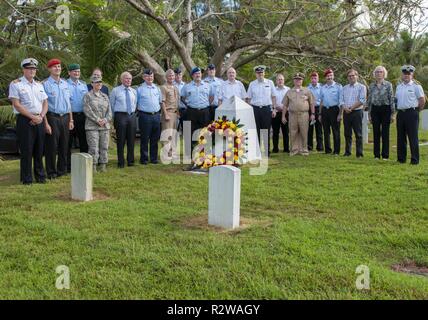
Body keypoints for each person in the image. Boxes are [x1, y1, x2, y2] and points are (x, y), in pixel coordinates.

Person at [8, 58, 48, 185]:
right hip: (25, 120)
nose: (32, 71)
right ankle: (27, 179)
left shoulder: (39, 85)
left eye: (34, 69)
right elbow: (17, 104)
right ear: (24, 69)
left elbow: (45, 102)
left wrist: (41, 116)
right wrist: (32, 117)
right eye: (29, 68)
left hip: (39, 119)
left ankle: (40, 177)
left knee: (39, 149)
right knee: (27, 150)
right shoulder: (16, 84)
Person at [43, 58, 73, 179]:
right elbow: (43, 105)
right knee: (52, 146)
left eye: (59, 66)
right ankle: (51, 172)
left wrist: (71, 120)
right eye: (55, 67)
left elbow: (69, 103)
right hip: (52, 117)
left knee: (64, 145)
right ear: (50, 69)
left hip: (65, 117)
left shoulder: (66, 84)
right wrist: (46, 123)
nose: (57, 68)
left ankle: (62, 170)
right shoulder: (45, 84)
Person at [395, 65, 426, 165]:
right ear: (402, 75)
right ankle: (401, 159)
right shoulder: (399, 87)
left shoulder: (416, 86)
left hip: (412, 113)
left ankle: (414, 160)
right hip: (400, 113)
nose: (406, 75)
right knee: (400, 137)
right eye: (405, 74)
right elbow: (396, 100)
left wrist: (416, 111)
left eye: (409, 74)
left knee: (413, 137)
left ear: (412, 74)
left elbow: (422, 100)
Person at [181, 67, 213, 155]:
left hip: (205, 111)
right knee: (189, 133)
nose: (198, 75)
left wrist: (205, 104)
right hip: (191, 112)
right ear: (192, 76)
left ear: (201, 75)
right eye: (196, 74)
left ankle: (205, 153)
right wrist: (189, 104)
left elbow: (211, 97)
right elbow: (182, 97)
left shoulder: (207, 85)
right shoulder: (187, 86)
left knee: (205, 132)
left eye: (199, 73)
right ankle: (189, 154)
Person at [83, 74, 112, 172]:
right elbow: (87, 110)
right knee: (93, 147)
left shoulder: (105, 96)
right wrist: (97, 120)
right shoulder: (88, 95)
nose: (99, 84)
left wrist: (105, 120)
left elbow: (110, 111)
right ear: (92, 84)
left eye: (100, 82)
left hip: (104, 126)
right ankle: (93, 166)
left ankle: (103, 165)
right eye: (96, 82)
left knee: (104, 146)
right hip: (92, 126)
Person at [282, 73, 315, 156]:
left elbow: (312, 103)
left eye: (299, 79)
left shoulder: (307, 91)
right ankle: (294, 150)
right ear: (294, 80)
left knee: (304, 132)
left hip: (304, 114)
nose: (298, 81)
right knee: (293, 132)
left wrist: (313, 114)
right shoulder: (289, 92)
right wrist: (283, 116)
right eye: (296, 79)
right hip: (292, 115)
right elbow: (285, 105)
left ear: (302, 80)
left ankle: (304, 150)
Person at [246, 65, 276, 156]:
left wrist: (274, 109)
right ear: (256, 74)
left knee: (266, 130)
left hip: (266, 109)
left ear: (264, 73)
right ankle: (257, 152)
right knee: (256, 130)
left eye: (261, 72)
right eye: (258, 73)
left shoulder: (270, 83)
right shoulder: (252, 84)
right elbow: (248, 98)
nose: (260, 74)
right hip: (255, 109)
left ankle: (267, 151)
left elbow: (274, 97)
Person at [110, 71, 137, 168]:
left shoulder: (134, 91)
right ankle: (121, 162)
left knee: (131, 139)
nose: (128, 80)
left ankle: (131, 161)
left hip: (131, 116)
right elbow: (111, 105)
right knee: (121, 140)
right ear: (121, 80)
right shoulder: (115, 91)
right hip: (120, 116)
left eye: (130, 78)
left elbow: (135, 104)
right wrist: (114, 118)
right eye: (126, 78)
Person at [367, 66, 394, 160]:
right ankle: (376, 155)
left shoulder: (388, 85)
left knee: (385, 133)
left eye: (381, 72)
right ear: (375, 74)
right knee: (376, 132)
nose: (379, 73)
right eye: (377, 72)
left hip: (386, 109)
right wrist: (369, 114)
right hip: (375, 110)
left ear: (384, 73)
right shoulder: (371, 85)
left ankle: (385, 155)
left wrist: (392, 113)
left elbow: (391, 99)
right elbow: (369, 100)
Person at [137, 69, 163, 165]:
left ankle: (153, 158)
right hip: (144, 116)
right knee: (144, 138)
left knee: (155, 138)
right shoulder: (139, 89)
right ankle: (144, 159)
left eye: (151, 76)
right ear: (144, 77)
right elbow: (136, 102)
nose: (150, 78)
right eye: (147, 76)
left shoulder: (157, 88)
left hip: (156, 115)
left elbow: (160, 101)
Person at [67, 63, 88, 173]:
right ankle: (68, 166)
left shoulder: (83, 85)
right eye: (74, 71)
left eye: (78, 71)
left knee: (83, 141)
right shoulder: (64, 84)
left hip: (82, 116)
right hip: (69, 116)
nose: (77, 73)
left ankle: (84, 164)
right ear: (69, 73)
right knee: (68, 142)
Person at [341, 69, 367, 158]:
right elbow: (341, 100)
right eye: (349, 76)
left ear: (357, 76)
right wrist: (345, 108)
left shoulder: (361, 87)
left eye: (353, 75)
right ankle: (347, 152)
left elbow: (362, 100)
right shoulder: (344, 88)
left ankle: (359, 153)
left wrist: (351, 108)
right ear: (347, 77)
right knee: (347, 133)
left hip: (357, 112)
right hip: (346, 112)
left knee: (358, 133)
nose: (351, 77)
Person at [320, 68, 343, 155]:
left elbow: (341, 101)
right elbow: (321, 101)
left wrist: (340, 114)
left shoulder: (338, 86)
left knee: (335, 131)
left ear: (333, 76)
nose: (329, 77)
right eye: (327, 76)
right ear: (325, 77)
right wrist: (320, 114)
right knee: (326, 131)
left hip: (334, 110)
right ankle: (327, 150)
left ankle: (336, 151)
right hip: (325, 110)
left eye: (331, 75)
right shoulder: (323, 87)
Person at [160, 69, 180, 161]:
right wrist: (166, 114)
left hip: (175, 114)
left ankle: (173, 154)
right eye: (169, 76)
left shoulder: (175, 88)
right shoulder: (164, 87)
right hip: (168, 113)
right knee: (167, 135)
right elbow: (162, 102)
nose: (171, 77)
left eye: (172, 75)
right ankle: (166, 155)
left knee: (174, 135)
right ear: (166, 77)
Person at [271, 73, 290, 153]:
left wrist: (286, 108)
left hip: (286, 113)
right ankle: (275, 148)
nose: (280, 81)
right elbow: (270, 100)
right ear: (276, 81)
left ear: (284, 80)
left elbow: (290, 101)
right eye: (279, 79)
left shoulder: (288, 89)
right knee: (275, 132)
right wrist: (274, 108)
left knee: (286, 131)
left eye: (281, 79)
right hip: (276, 112)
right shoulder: (273, 89)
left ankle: (286, 148)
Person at [307, 72, 323, 152]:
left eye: (315, 78)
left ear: (318, 79)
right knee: (310, 129)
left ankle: (320, 147)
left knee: (319, 128)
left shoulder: (322, 87)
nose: (314, 80)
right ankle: (309, 146)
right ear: (310, 79)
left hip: (319, 109)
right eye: (312, 78)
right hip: (310, 110)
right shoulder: (307, 88)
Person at [173, 68, 187, 133]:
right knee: (174, 131)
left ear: (181, 75)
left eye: (180, 74)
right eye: (176, 74)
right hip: (174, 110)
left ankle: (187, 143)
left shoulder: (186, 85)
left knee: (187, 130)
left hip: (184, 110)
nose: (178, 76)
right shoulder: (171, 85)